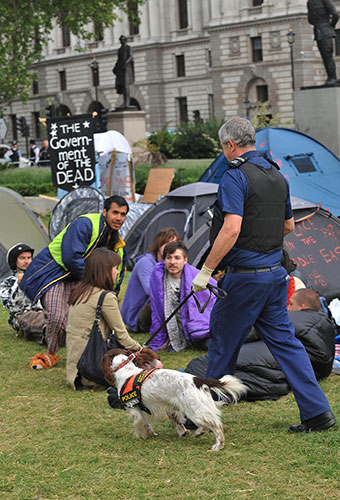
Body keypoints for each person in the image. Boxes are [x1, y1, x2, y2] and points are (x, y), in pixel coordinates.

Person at [192, 117, 336, 433]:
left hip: (245, 277)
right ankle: (318, 413)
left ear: (230, 144)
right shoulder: (277, 175)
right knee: (287, 344)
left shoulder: (235, 176)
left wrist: (205, 271)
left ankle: (201, 414)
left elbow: (231, 228)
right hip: (275, 276)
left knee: (222, 342)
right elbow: (288, 226)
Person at [20, 195, 129, 369]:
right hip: (55, 275)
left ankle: (91, 355)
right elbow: (71, 258)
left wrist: (111, 295)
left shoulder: (116, 241)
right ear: (104, 211)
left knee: (87, 320)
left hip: (80, 279)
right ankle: (49, 354)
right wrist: (94, 284)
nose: (119, 218)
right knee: (57, 317)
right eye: (115, 212)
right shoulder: (86, 224)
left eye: (123, 214)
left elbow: (117, 269)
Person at [66, 248, 140, 390]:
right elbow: (122, 336)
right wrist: (143, 352)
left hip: (76, 372)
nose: (118, 272)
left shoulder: (80, 292)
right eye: (115, 268)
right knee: (151, 367)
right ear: (104, 271)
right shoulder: (105, 297)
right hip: (92, 372)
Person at [149, 241, 216, 352]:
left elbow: (213, 298)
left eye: (177, 258)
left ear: (185, 260)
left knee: (207, 344)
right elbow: (157, 310)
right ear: (163, 260)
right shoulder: (158, 277)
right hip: (174, 320)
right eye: (169, 258)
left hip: (194, 322)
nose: (172, 262)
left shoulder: (196, 276)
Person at [121, 227, 180, 332]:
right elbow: (151, 291)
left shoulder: (171, 263)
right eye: (166, 243)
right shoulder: (146, 263)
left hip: (154, 311)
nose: (169, 248)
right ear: (158, 245)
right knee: (165, 298)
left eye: (173, 244)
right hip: (136, 318)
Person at [0, 244, 44, 339]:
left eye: (29, 258)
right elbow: (11, 307)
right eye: (22, 258)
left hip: (42, 314)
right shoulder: (7, 282)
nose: (26, 261)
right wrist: (19, 287)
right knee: (42, 322)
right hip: (22, 318)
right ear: (14, 260)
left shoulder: (37, 277)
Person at [307, 0, 339, 85]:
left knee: (328, 55)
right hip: (318, 32)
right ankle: (330, 77)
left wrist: (330, 26)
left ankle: (333, 77)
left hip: (325, 30)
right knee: (324, 57)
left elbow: (335, 14)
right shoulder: (309, 2)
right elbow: (310, 19)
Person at [113, 35, 134, 108]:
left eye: (123, 39)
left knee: (126, 86)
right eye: (120, 40)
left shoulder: (128, 47)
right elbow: (118, 59)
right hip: (120, 69)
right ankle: (124, 102)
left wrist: (126, 63)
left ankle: (127, 103)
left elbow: (131, 56)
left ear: (125, 40)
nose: (121, 41)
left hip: (126, 69)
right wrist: (115, 67)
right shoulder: (119, 50)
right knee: (122, 86)